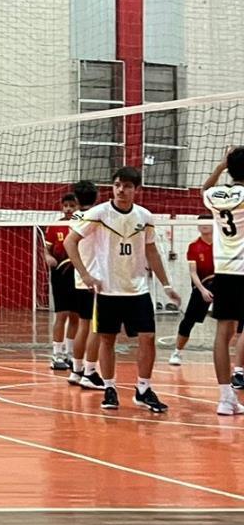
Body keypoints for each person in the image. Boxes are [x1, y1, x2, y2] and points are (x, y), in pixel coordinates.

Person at [65, 166, 178, 414]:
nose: (121, 190)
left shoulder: (145, 216)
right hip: (108, 290)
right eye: (117, 185)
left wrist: (167, 284)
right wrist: (84, 273)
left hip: (138, 290)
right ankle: (109, 388)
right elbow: (69, 241)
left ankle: (143, 389)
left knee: (147, 339)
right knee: (107, 340)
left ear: (137, 189)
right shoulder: (99, 213)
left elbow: (151, 251)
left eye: (127, 186)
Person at [201, 146, 244, 415]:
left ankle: (225, 398)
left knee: (223, 332)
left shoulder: (214, 195)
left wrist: (221, 166)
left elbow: (204, 188)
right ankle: (239, 373)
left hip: (225, 271)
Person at [63, 180, 107, 389]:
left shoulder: (75, 219)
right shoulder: (97, 217)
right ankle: (89, 372)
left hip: (80, 279)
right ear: (96, 196)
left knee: (83, 325)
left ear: (76, 199)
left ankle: (76, 370)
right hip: (95, 278)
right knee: (95, 328)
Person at [169, 215, 216, 366]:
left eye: (207, 223)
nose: (203, 226)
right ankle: (177, 352)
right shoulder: (194, 246)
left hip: (223, 283)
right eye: (200, 223)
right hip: (202, 286)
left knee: (234, 321)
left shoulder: (223, 244)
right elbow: (193, 272)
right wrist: (202, 290)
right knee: (188, 321)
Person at [41, 190, 80, 371]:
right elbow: (46, 250)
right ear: (61, 207)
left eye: (72, 206)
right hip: (60, 274)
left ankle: (70, 354)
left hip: (78, 273)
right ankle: (56, 355)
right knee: (62, 315)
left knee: (75, 316)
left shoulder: (83, 225)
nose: (69, 209)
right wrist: (47, 257)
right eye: (66, 206)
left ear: (78, 207)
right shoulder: (55, 226)